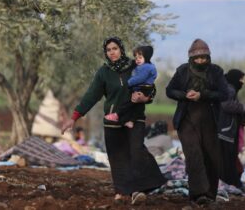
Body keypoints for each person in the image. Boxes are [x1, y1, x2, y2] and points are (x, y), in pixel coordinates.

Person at [61, 36, 166, 205]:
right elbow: (91, 96)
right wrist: (74, 117)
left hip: (134, 117)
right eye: (108, 50)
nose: (112, 52)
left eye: (115, 48)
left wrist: (145, 98)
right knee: (117, 157)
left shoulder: (134, 66)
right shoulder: (104, 72)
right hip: (112, 120)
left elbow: (150, 85)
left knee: (136, 150)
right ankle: (122, 191)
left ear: (121, 49)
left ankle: (141, 188)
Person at [165, 39, 228, 206]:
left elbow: (224, 94)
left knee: (211, 157)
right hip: (187, 119)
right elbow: (169, 90)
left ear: (208, 57)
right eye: (197, 58)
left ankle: (209, 195)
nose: (200, 61)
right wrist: (184, 95)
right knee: (194, 155)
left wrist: (203, 95)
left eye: (204, 57)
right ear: (191, 58)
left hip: (210, 120)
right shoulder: (183, 71)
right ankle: (197, 194)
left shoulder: (216, 71)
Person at [218, 69, 245, 190]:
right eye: (241, 79)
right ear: (235, 79)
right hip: (225, 130)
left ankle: (229, 182)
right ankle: (230, 183)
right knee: (227, 158)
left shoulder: (226, 88)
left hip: (225, 130)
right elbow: (226, 105)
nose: (242, 82)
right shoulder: (229, 89)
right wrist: (243, 107)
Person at [104, 45, 157, 128]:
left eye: (140, 57)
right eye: (136, 58)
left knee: (130, 104)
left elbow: (140, 78)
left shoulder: (146, 67)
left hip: (144, 88)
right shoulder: (141, 66)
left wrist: (128, 83)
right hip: (142, 88)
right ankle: (129, 120)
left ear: (146, 57)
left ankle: (119, 115)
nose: (137, 60)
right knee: (134, 105)